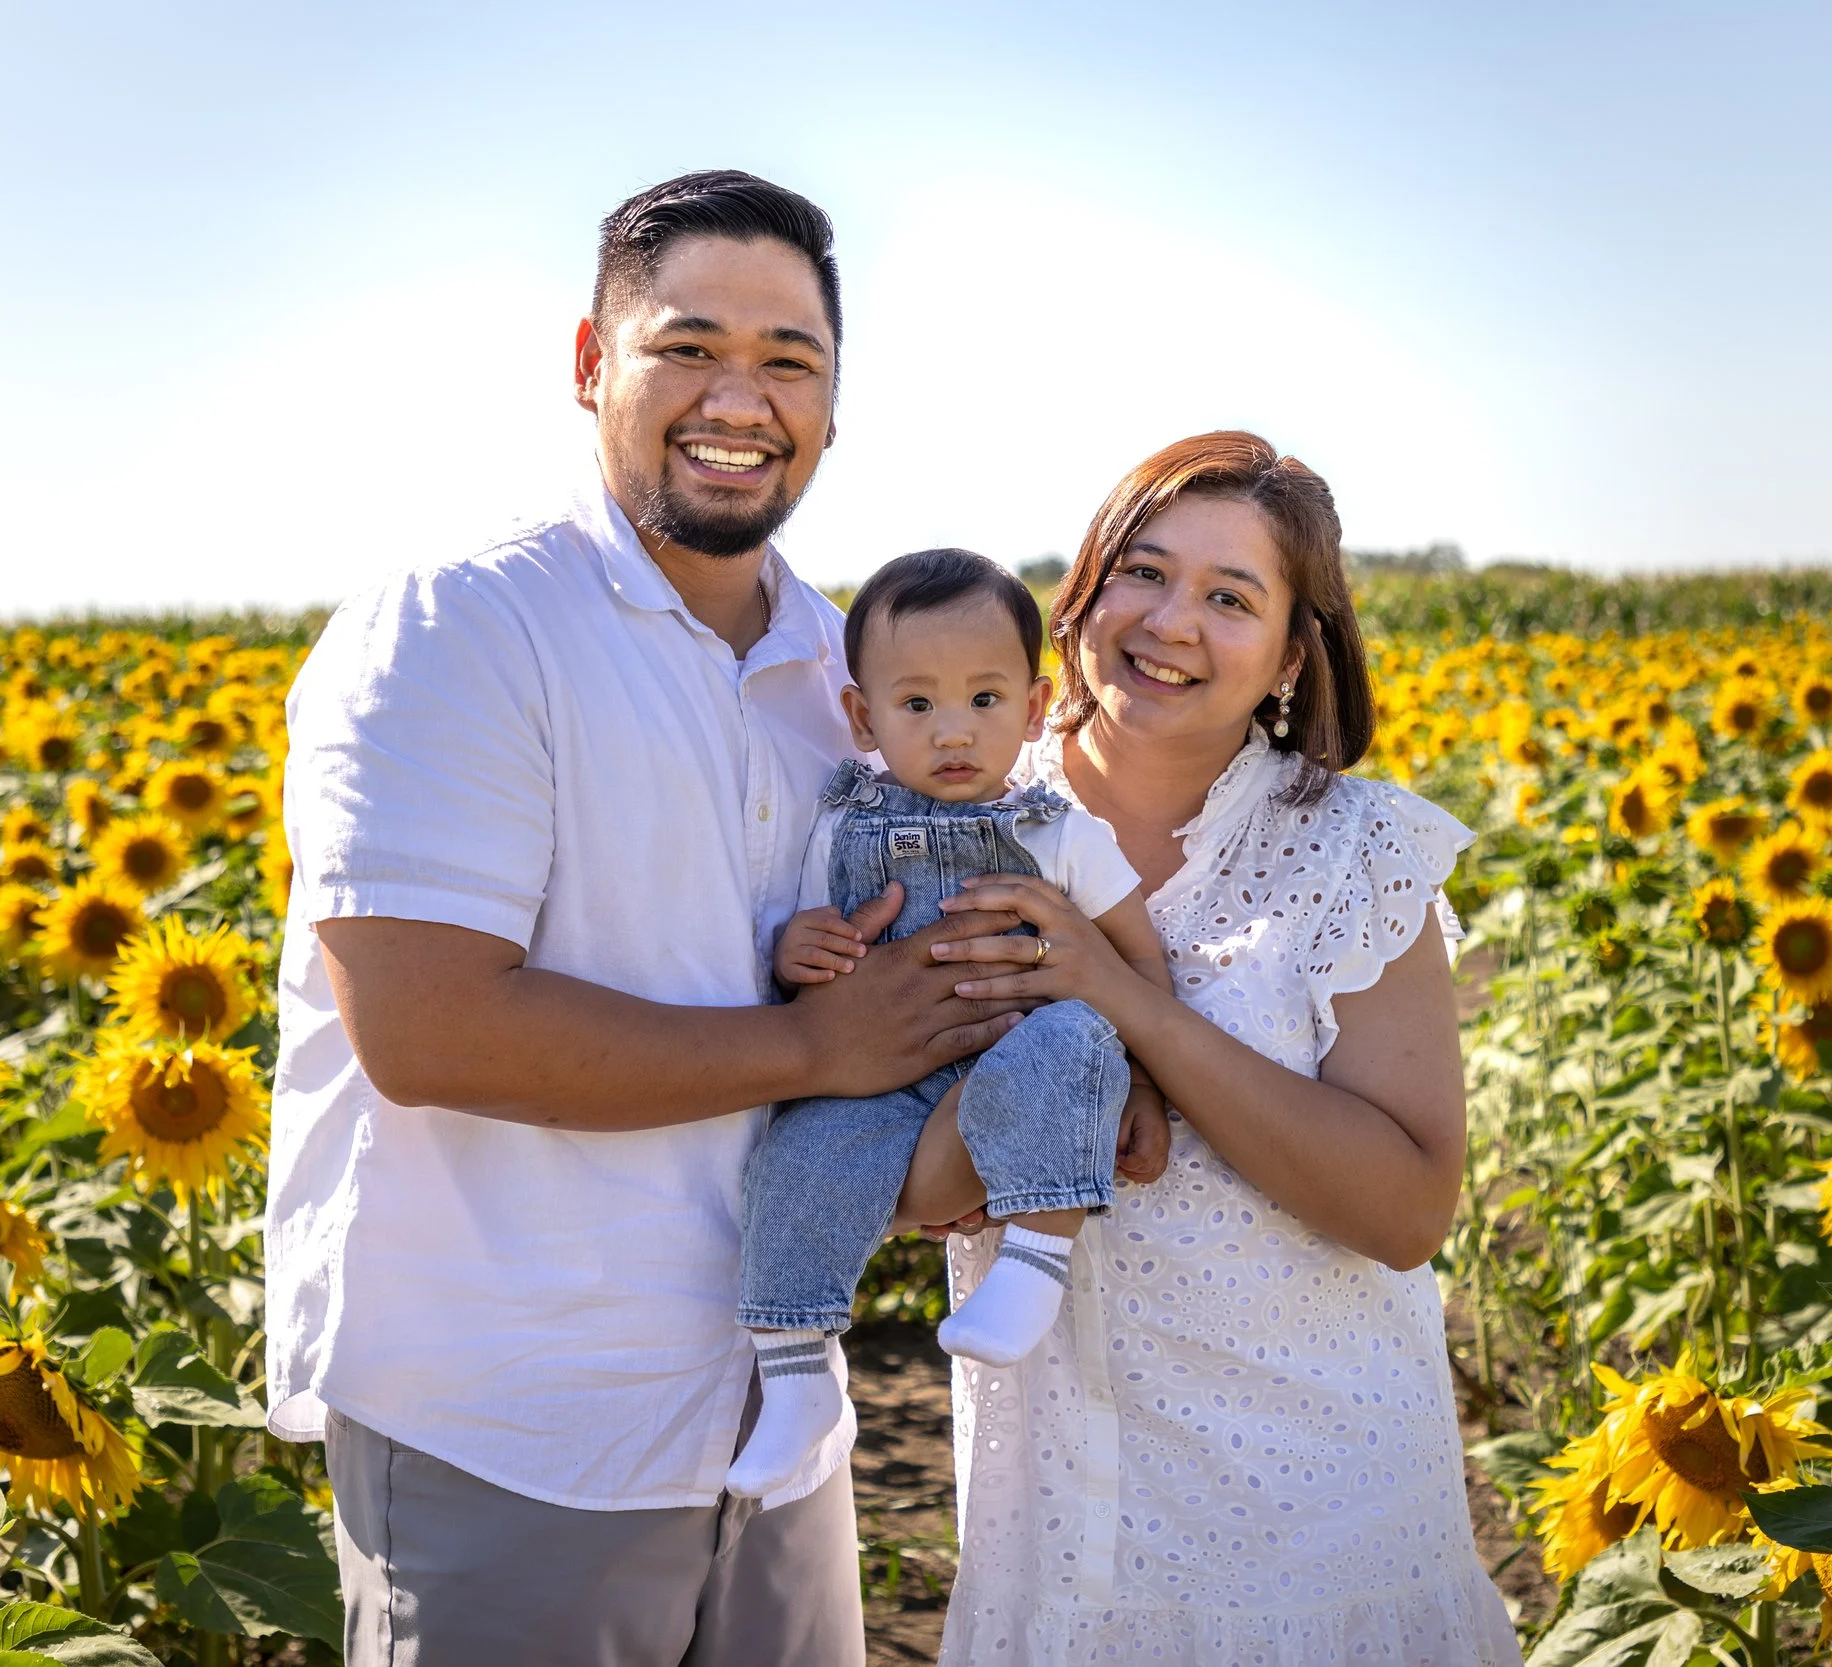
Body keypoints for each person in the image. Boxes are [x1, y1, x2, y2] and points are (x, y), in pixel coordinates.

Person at [266, 170, 1117, 1667]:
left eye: (791, 360)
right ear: (592, 363)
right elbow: (427, 1027)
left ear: (836, 407)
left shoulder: (846, 675)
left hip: (773, 1413)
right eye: (688, 346)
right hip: (518, 1418)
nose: (743, 395)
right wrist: (821, 1045)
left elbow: (906, 990)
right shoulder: (460, 627)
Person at [905, 433, 1526, 1665]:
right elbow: (904, 1186)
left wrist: (1126, 1001)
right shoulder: (946, 818)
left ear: (1292, 654)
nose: (1170, 621)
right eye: (1143, 570)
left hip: (1320, 1526)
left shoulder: (1355, 847)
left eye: (1230, 596)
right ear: (1082, 585)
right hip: (1061, 1523)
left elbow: (1405, 1208)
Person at [728, 547, 1177, 1501]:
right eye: (918, 704)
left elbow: (1137, 957)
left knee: (1074, 1042)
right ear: (862, 717)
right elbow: (811, 931)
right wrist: (793, 949)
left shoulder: (1056, 831)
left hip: (1019, 1056)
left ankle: (1036, 1256)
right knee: (796, 1153)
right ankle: (796, 1373)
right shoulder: (838, 824)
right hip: (878, 1081)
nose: (954, 731)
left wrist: (1141, 1078)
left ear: (1034, 704)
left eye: (984, 699)